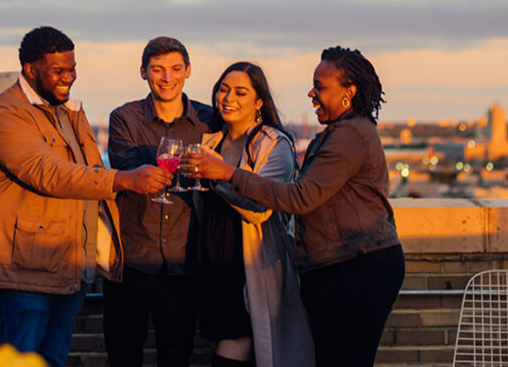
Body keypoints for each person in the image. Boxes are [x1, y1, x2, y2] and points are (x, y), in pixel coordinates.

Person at [186, 47, 404, 367]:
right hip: (337, 266)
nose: (311, 93)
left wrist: (227, 173)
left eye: (320, 86)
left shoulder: (351, 134)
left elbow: (300, 198)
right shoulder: (337, 133)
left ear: (349, 91)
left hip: (358, 267)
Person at [0, 26, 171, 367]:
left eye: (72, 68)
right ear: (31, 71)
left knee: (52, 361)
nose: (69, 77)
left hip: (65, 266)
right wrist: (125, 179)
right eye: (58, 71)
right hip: (21, 271)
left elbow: (85, 175)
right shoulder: (7, 114)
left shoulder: (69, 111)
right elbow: (48, 172)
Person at [192, 62, 315, 367]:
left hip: (248, 267)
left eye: (240, 92)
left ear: (259, 101)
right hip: (210, 263)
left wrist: (217, 175)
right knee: (217, 345)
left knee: (232, 355)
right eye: (223, 89)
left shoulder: (274, 144)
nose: (228, 97)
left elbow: (261, 207)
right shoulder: (211, 140)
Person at [104, 36, 215, 367]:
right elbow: (125, 170)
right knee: (123, 356)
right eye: (158, 70)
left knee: (177, 356)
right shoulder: (124, 118)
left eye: (175, 69)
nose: (167, 78)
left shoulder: (209, 121)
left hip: (184, 262)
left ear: (188, 71)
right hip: (131, 261)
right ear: (143, 72)